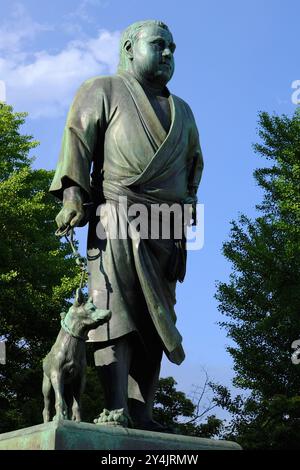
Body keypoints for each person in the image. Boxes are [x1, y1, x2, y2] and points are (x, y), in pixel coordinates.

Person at [50, 19, 203, 431]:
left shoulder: (183, 111)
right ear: (130, 47)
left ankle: (143, 411)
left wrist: (188, 204)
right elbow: (78, 142)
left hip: (166, 225)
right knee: (111, 308)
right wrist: (71, 197)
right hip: (115, 211)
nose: (169, 54)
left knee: (158, 318)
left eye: (173, 47)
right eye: (160, 45)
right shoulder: (102, 89)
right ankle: (115, 405)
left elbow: (193, 165)